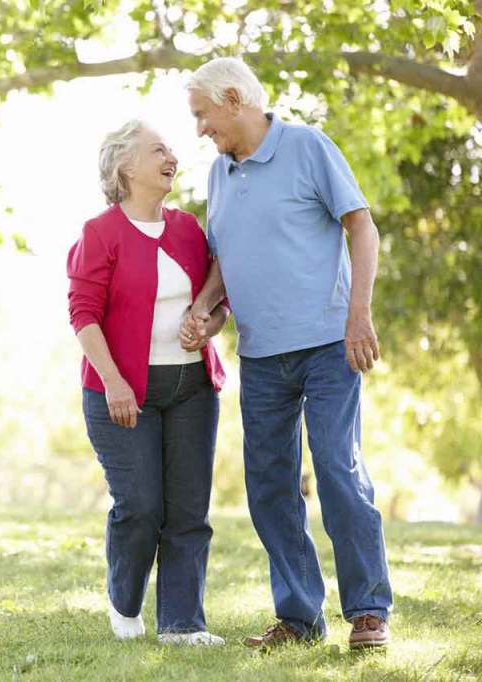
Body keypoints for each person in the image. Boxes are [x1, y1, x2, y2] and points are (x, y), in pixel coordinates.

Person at [182, 57, 393, 650]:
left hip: (327, 343)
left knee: (337, 468)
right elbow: (224, 259)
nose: (200, 129)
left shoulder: (307, 147)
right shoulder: (219, 174)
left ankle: (369, 610)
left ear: (233, 99)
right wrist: (203, 307)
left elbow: (362, 227)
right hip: (261, 355)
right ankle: (300, 618)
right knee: (270, 487)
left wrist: (359, 314)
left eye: (202, 115)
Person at [66, 118, 230, 645]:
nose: (171, 158)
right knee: (140, 507)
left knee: (188, 511)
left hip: (191, 388)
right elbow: (83, 314)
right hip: (120, 392)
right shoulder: (100, 233)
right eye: (158, 150)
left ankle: (183, 624)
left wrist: (206, 324)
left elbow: (217, 303)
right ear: (126, 167)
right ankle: (125, 605)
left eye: (170, 150)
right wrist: (114, 381)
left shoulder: (188, 229)